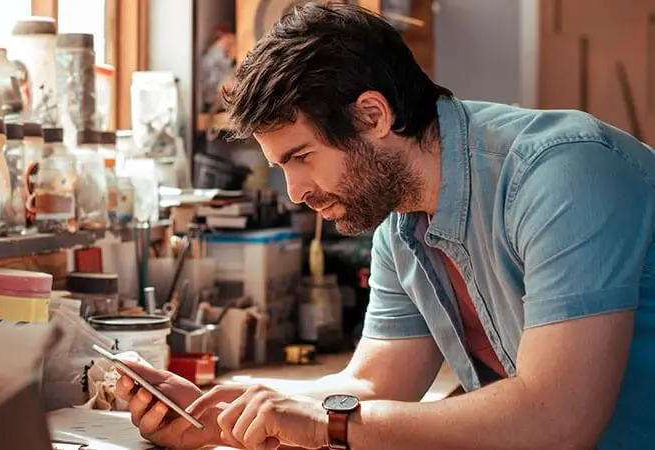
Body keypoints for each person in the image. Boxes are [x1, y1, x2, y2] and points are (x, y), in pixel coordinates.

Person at [113, 3, 655, 449]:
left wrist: (329, 425)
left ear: (373, 115)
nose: (295, 193)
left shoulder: (560, 171)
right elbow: (370, 386)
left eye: (302, 156)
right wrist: (217, 409)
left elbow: (559, 420)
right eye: (282, 168)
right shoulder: (401, 230)